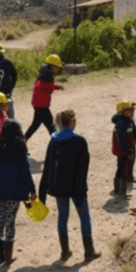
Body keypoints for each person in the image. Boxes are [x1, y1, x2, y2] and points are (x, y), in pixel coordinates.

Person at [38, 109, 101, 263]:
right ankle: (89, 251)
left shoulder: (54, 141)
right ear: (71, 122)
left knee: (62, 217)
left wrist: (43, 191)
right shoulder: (79, 141)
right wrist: (81, 188)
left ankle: (65, 252)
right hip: (76, 187)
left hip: (59, 187)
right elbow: (83, 168)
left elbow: (48, 166)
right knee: (84, 217)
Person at [0, 120, 36, 266]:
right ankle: (8, 258)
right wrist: (32, 190)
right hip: (14, 191)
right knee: (10, 222)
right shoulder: (20, 147)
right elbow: (25, 171)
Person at [24, 54, 64, 142]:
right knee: (51, 126)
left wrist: (57, 87)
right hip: (41, 105)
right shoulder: (46, 75)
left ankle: (21, 143)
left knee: (35, 126)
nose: (58, 69)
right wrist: (58, 87)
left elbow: (47, 86)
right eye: (57, 67)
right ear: (53, 66)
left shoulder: (44, 73)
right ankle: (57, 145)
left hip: (40, 104)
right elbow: (47, 86)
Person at [111, 100, 136, 200]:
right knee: (122, 169)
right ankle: (121, 192)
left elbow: (133, 130)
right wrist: (128, 151)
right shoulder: (121, 124)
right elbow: (122, 140)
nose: (132, 112)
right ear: (122, 112)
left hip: (126, 149)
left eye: (132, 110)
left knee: (123, 168)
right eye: (129, 110)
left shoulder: (128, 120)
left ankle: (118, 190)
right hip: (123, 151)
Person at [0, 42, 18, 119]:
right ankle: (12, 129)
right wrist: (11, 88)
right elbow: (14, 76)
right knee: (10, 116)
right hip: (7, 93)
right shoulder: (8, 63)